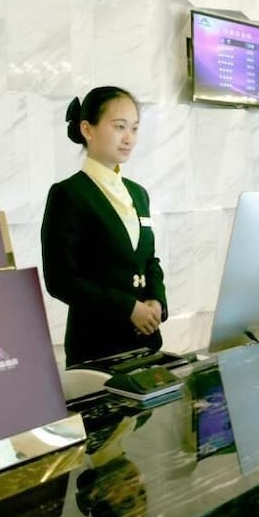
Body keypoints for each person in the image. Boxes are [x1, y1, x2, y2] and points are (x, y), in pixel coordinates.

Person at [41, 86, 167, 367]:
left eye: (134, 128)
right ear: (87, 129)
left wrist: (156, 301)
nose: (129, 138)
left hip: (146, 343)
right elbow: (61, 280)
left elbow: (148, 261)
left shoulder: (138, 194)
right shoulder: (69, 194)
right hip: (96, 347)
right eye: (119, 127)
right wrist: (128, 308)